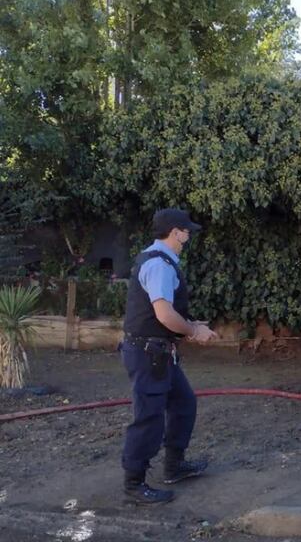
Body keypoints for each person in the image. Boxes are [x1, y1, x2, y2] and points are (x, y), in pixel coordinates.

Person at [120, 208, 217, 505]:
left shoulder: (155, 260)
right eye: (186, 232)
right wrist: (193, 331)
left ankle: (174, 466)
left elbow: (162, 314)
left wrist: (191, 325)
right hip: (149, 354)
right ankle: (134, 484)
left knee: (183, 403)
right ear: (175, 232)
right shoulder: (159, 265)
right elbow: (164, 314)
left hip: (158, 352)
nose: (189, 237)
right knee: (149, 417)